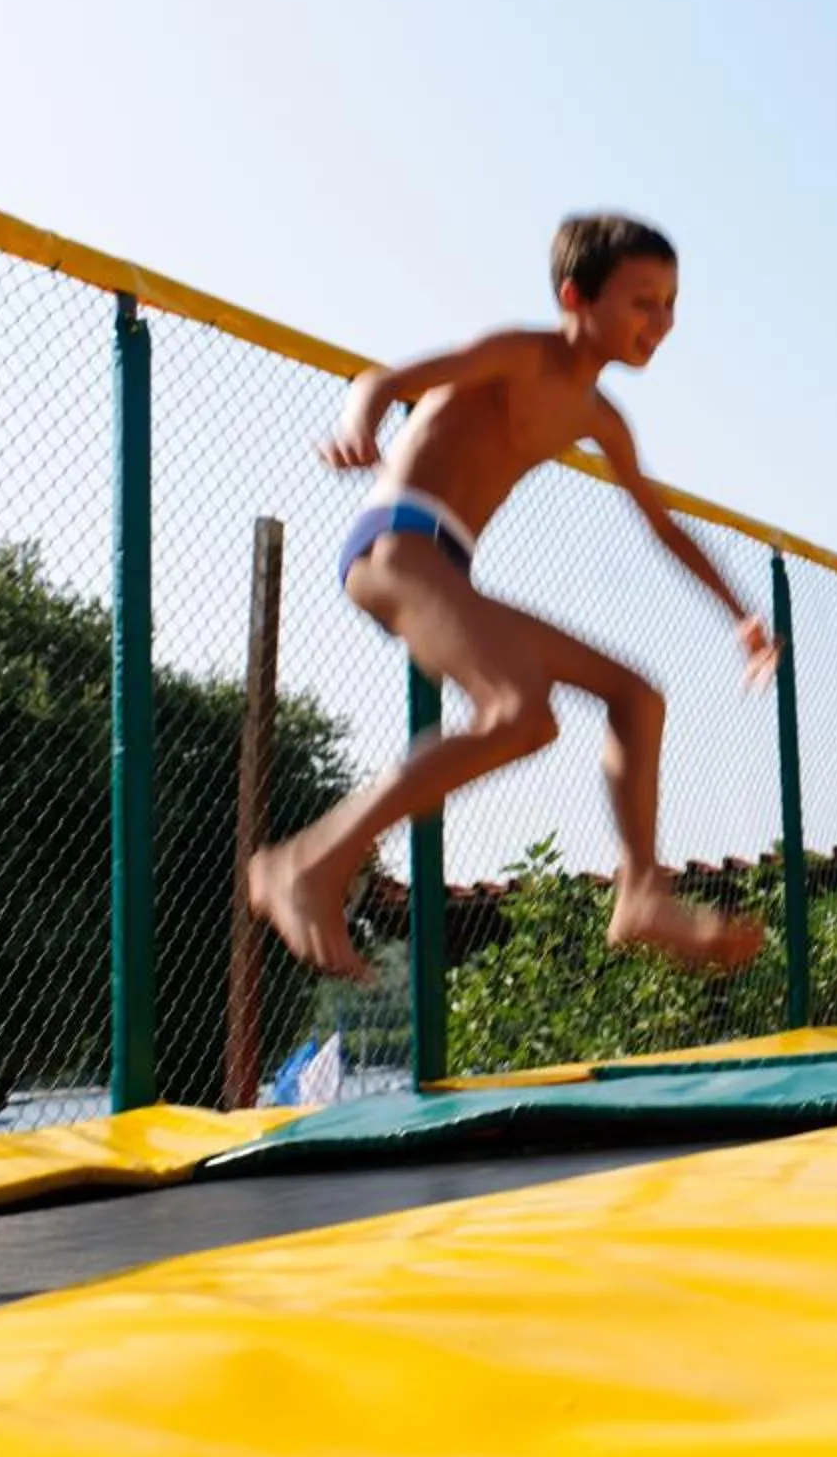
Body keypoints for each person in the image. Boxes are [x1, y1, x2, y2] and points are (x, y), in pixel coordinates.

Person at [248, 212, 778, 982]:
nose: (661, 322)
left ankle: (641, 893)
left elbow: (663, 528)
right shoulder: (519, 354)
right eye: (642, 302)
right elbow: (384, 382)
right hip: (394, 543)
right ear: (576, 297)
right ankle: (305, 863)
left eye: (670, 305)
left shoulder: (601, 416)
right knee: (518, 713)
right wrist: (359, 427)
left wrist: (739, 615)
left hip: (444, 564)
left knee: (636, 698)